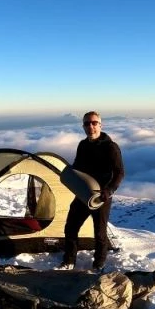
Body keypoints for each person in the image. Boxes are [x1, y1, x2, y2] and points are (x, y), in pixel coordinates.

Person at [59, 111, 125, 271]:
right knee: (70, 227)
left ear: (100, 125)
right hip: (83, 193)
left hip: (101, 196)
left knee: (100, 233)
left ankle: (98, 264)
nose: (91, 126)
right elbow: (77, 166)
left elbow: (119, 172)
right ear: (83, 126)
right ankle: (69, 260)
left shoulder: (111, 147)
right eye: (87, 123)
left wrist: (108, 191)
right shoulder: (82, 145)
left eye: (94, 123)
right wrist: (70, 177)